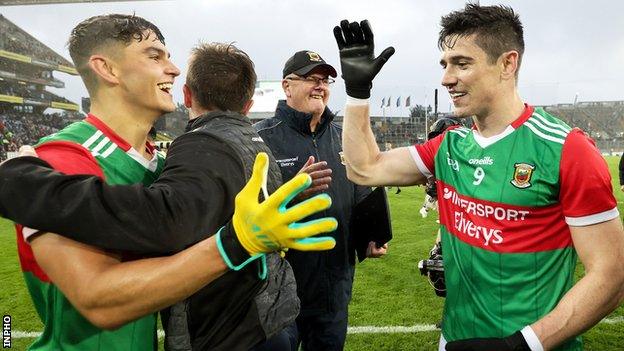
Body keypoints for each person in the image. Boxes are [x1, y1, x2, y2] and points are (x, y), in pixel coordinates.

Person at [1, 16, 337, 351]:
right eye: (154, 55)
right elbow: (100, 300)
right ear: (108, 69)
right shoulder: (63, 157)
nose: (174, 69)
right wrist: (236, 243)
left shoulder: (160, 164)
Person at [332, 5, 624, 351]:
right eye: (444, 64)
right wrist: (357, 93)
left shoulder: (567, 149)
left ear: (507, 64)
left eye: (462, 63)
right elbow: (364, 168)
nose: (446, 78)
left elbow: (613, 275)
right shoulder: (450, 145)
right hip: (455, 339)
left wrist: (521, 344)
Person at [254, 50, 387, 351]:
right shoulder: (260, 138)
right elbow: (247, 208)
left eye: (325, 80)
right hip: (280, 287)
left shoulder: (345, 135)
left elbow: (362, 190)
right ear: (287, 86)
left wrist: (370, 237)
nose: (320, 86)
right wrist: (293, 189)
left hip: (335, 288)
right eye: (311, 79)